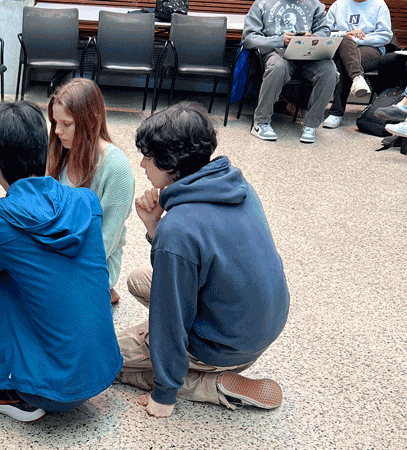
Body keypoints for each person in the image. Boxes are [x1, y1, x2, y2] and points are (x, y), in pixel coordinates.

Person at [0, 101, 122, 422]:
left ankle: (1, 388)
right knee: (27, 266)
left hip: (49, 389)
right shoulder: (85, 201)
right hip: (100, 370)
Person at [115, 102, 289, 418]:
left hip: (224, 345)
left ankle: (212, 383)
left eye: (147, 155)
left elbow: (171, 318)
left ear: (169, 163)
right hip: (257, 325)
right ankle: (203, 361)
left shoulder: (180, 227)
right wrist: (154, 227)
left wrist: (164, 396)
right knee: (138, 279)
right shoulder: (236, 185)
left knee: (103, 358)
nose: (141, 164)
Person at [47, 78, 135, 304]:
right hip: (60, 251)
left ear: (90, 120)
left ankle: (103, 292)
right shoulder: (61, 152)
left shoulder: (116, 167)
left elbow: (106, 239)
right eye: (55, 123)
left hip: (92, 260)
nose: (57, 131)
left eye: (66, 124)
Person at [242, 0, 339, 144]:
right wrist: (280, 40)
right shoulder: (262, 3)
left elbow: (324, 31)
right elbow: (249, 39)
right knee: (277, 66)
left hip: (309, 55)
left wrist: (314, 38)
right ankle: (261, 123)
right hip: (278, 52)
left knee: (330, 70)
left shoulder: (316, 4)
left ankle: (311, 125)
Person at [322, 0, 392, 129]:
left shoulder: (379, 4)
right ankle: (357, 78)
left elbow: (386, 36)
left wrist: (357, 38)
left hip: (370, 48)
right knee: (346, 47)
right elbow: (324, 31)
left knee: (345, 61)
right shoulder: (339, 4)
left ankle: (336, 113)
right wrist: (345, 35)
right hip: (340, 47)